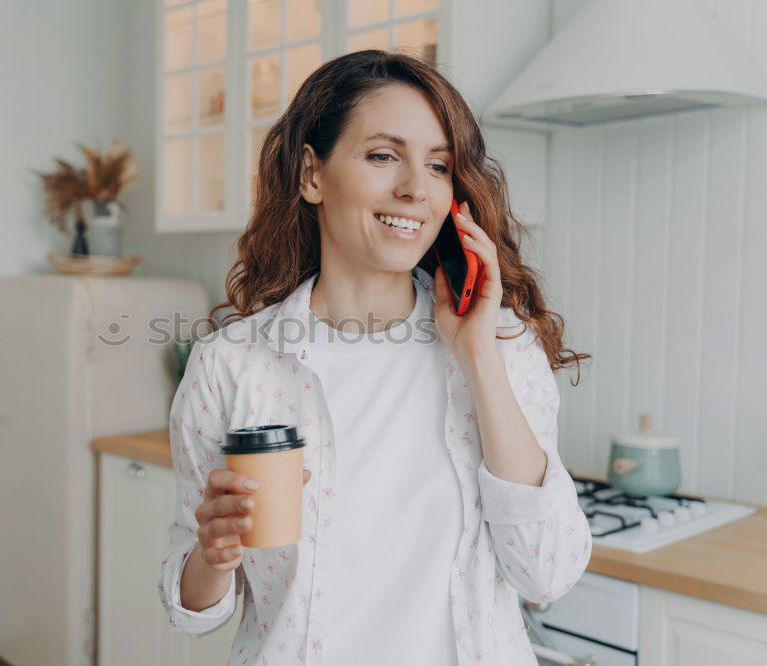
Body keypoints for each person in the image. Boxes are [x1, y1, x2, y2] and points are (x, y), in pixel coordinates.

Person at [157, 49, 593, 666]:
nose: (415, 187)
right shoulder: (233, 363)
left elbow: (548, 575)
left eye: (439, 166)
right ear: (313, 175)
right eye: (384, 155)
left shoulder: (501, 348)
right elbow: (191, 611)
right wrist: (212, 551)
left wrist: (478, 358)